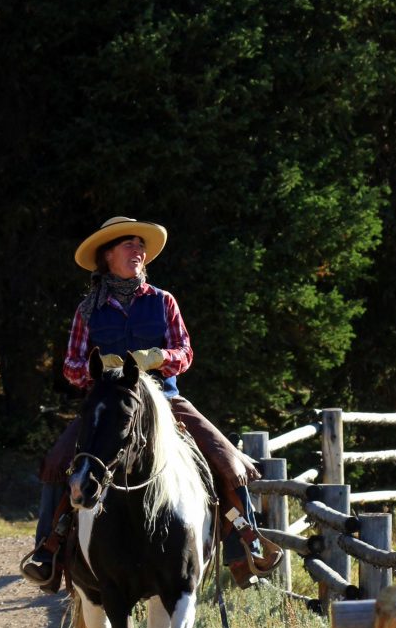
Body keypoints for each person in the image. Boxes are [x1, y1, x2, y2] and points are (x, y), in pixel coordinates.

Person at [21, 215, 277, 589]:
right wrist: (98, 370)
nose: (138, 250)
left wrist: (158, 358)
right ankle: (48, 551)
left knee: (227, 459)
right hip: (109, 403)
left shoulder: (163, 301)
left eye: (141, 246)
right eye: (129, 244)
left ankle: (247, 546)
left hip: (164, 400)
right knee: (57, 461)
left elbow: (185, 352)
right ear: (107, 255)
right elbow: (71, 367)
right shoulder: (87, 310)